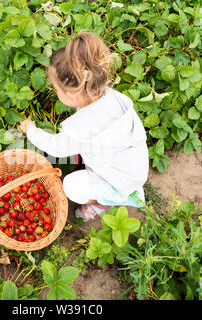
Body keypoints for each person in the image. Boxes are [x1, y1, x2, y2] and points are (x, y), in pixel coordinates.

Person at [19, 31, 149, 222]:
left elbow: (54, 147)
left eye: (56, 89)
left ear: (71, 93)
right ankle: (120, 189)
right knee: (84, 155)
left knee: (71, 186)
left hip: (120, 180)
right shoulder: (112, 97)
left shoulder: (82, 129)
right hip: (132, 163)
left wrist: (31, 130)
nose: (56, 92)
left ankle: (108, 200)